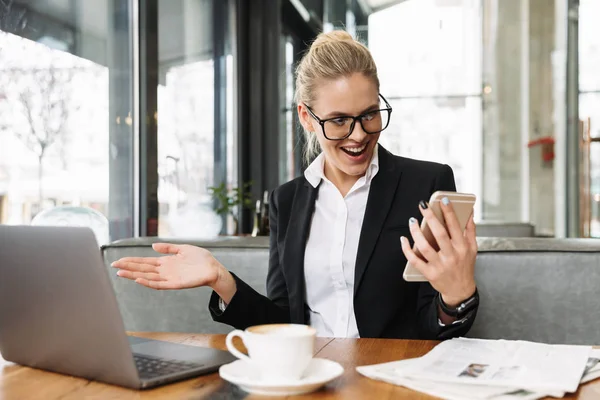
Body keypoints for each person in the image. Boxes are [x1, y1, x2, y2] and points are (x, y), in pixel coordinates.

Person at [112, 30, 479, 339]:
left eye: (369, 115)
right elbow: (285, 323)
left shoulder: (427, 183)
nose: (359, 135)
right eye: (338, 121)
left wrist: (455, 297)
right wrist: (221, 279)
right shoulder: (286, 201)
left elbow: (435, 328)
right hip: (309, 378)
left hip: (391, 379)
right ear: (306, 117)